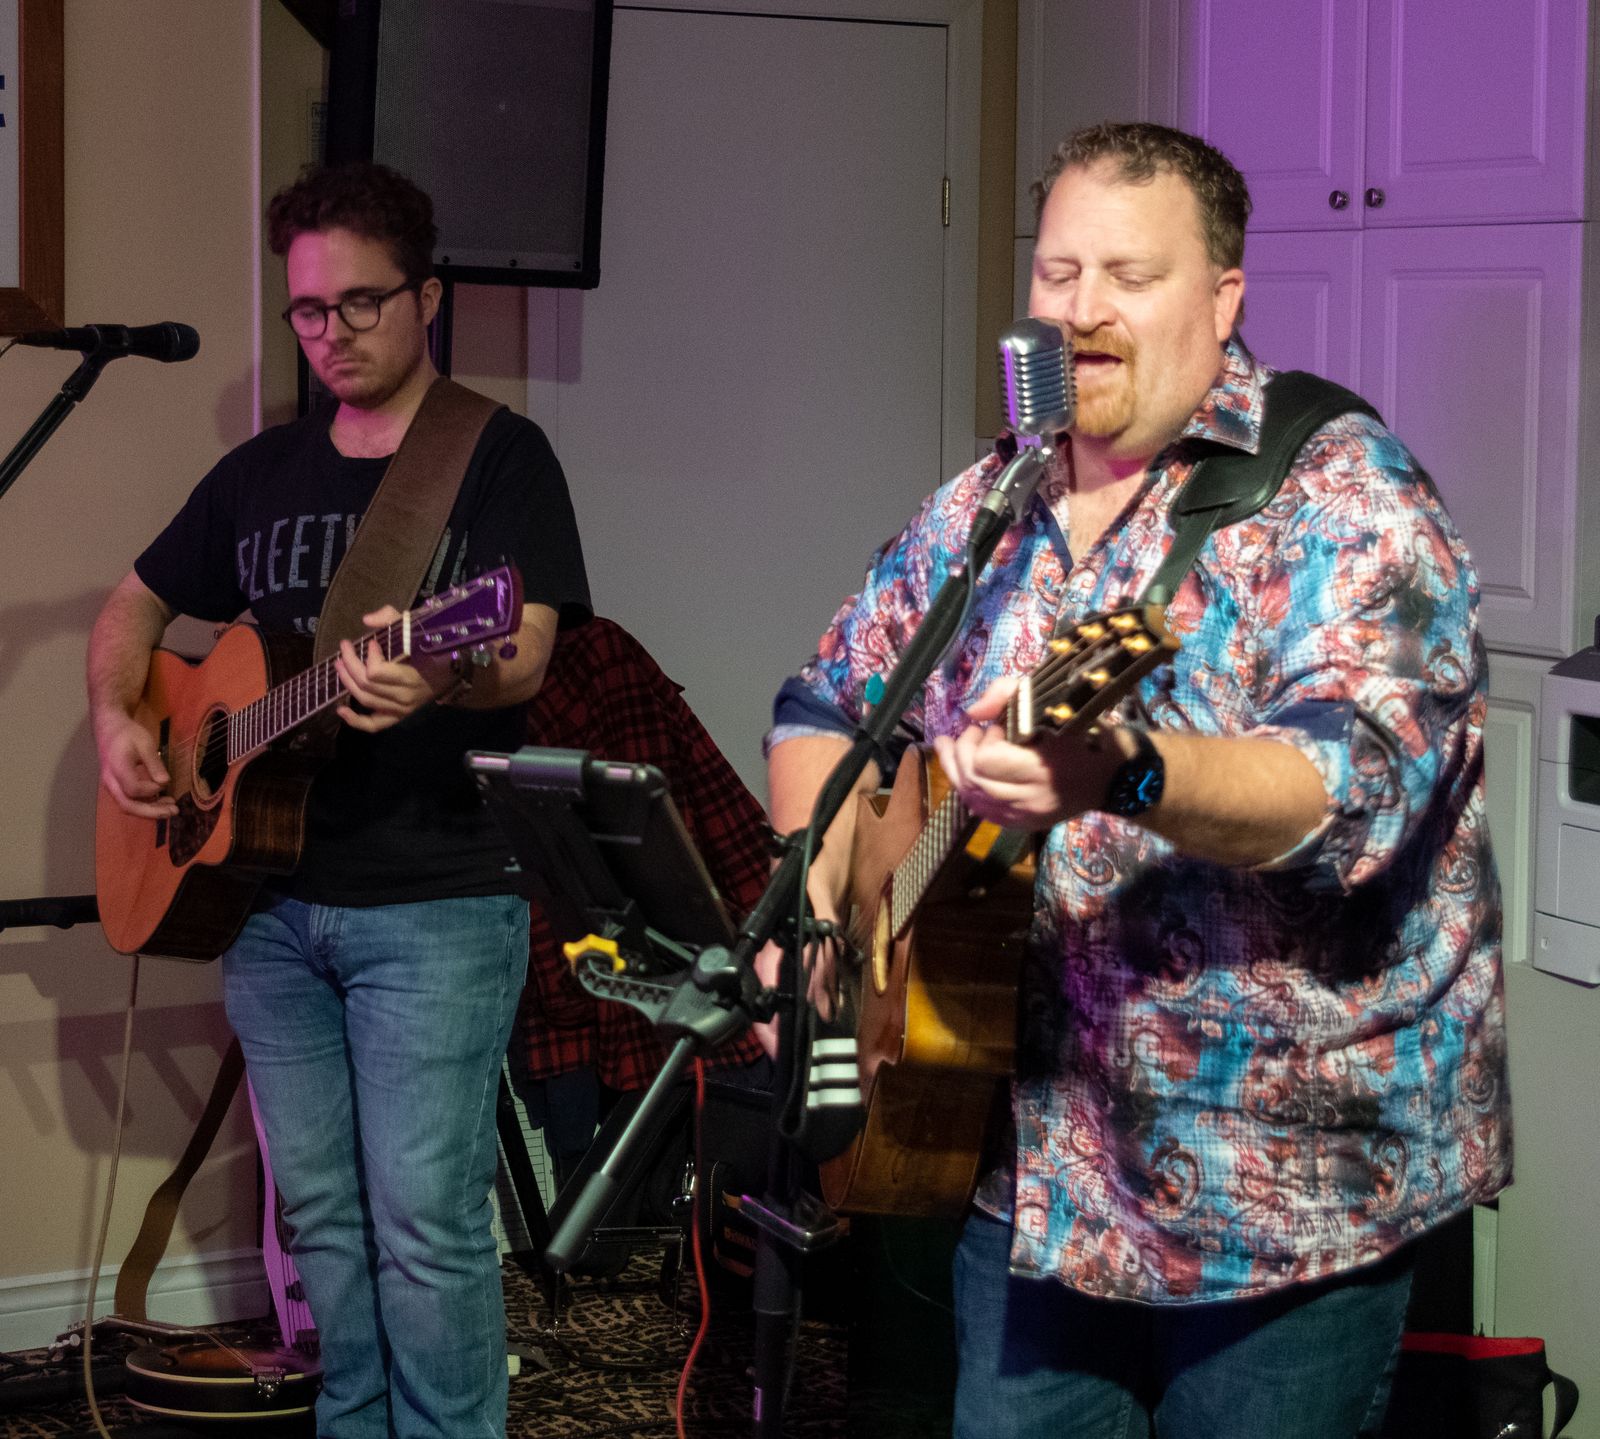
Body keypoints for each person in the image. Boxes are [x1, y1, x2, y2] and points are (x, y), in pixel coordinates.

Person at [765, 122, 1510, 1438]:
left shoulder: (1345, 495)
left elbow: (1345, 786)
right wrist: (817, 914)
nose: (1083, 309)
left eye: (1129, 274)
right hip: (1032, 1182)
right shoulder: (994, 502)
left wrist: (1126, 764)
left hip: (1284, 1209)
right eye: (1059, 273)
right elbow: (827, 703)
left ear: (1223, 297)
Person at [87, 162, 590, 1438]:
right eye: (309, 310)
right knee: (320, 1220)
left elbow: (524, 647)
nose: (332, 334)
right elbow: (133, 608)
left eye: (361, 303)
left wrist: (443, 672)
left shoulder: (496, 455)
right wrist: (119, 717)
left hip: (435, 899)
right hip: (264, 905)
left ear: (427, 296)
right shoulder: (258, 472)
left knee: (425, 1223)